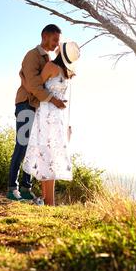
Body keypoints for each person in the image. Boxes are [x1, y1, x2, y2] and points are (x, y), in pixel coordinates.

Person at [7, 24, 68, 203]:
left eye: (59, 41)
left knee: (33, 148)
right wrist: (54, 100)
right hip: (26, 104)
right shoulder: (32, 56)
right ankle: (13, 188)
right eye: (55, 40)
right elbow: (34, 86)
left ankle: (26, 188)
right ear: (45, 36)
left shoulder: (48, 58)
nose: (57, 44)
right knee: (22, 145)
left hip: (37, 108)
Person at [22, 41, 81, 206]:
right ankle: (47, 200)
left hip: (47, 113)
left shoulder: (50, 67)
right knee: (49, 155)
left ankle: (50, 202)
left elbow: (36, 86)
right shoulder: (66, 73)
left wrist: (23, 78)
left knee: (46, 155)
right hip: (58, 116)